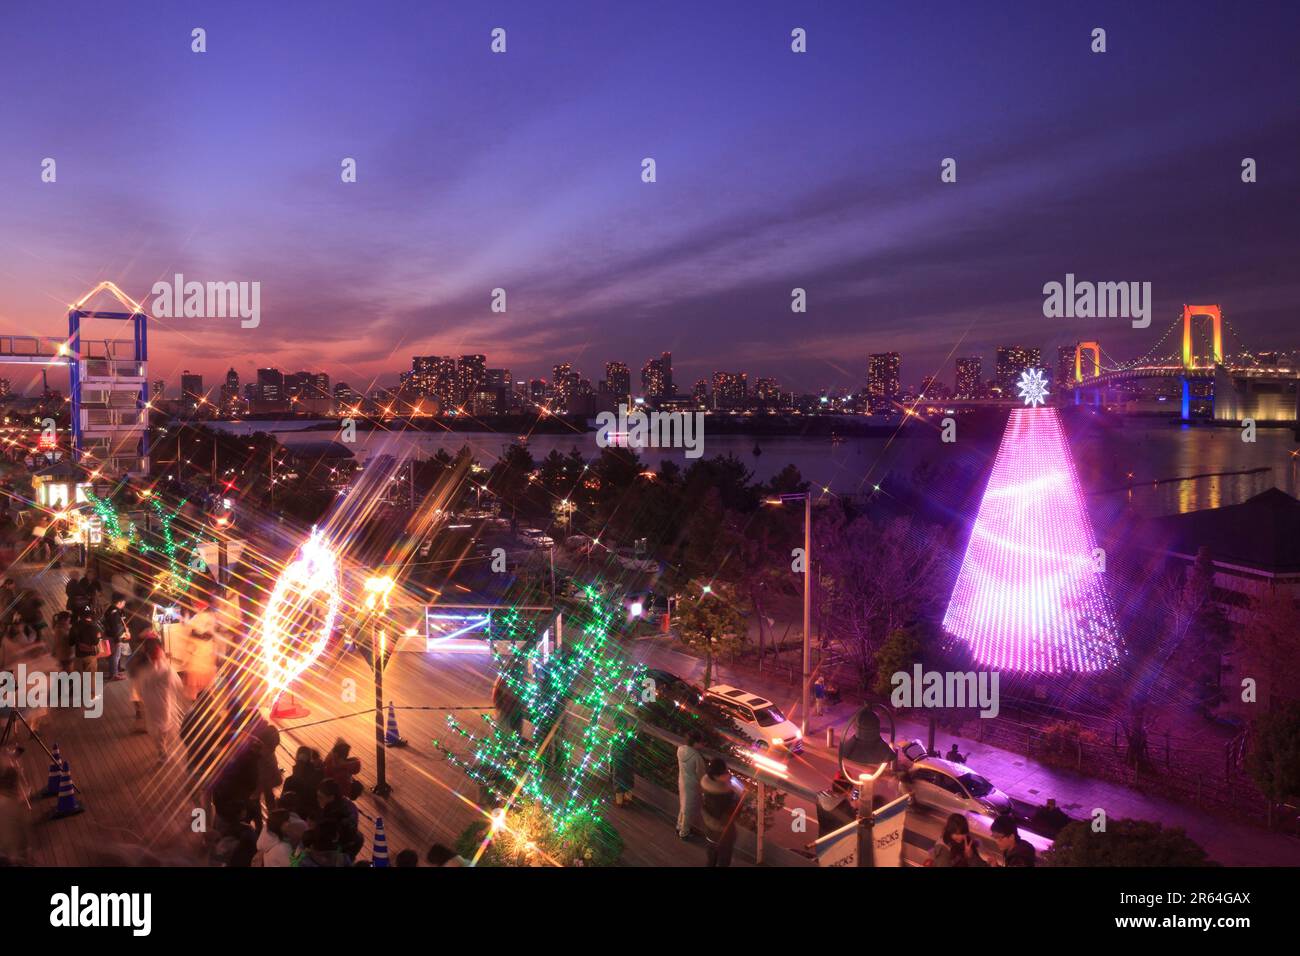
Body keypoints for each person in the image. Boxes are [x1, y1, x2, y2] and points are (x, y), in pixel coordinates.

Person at [129, 638, 184, 763]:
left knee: (155, 726)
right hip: (163, 700)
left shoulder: (143, 669)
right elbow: (177, 683)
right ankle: (162, 749)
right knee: (165, 725)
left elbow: (138, 686)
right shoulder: (165, 669)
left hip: (150, 701)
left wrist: (142, 697)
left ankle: (161, 748)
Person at [700, 758, 744, 867]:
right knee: (724, 859)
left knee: (711, 857)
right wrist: (739, 800)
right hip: (722, 833)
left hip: (710, 830)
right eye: (725, 772)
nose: (729, 775)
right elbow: (728, 817)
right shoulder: (720, 797)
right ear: (716, 776)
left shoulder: (707, 786)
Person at [182, 598, 218, 698]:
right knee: (196, 672)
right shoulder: (198, 617)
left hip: (204, 648)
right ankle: (199, 695)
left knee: (203, 672)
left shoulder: (209, 617)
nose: (196, 607)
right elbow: (189, 628)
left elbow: (205, 631)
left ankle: (205, 695)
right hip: (198, 648)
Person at [675, 730, 707, 840]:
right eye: (701, 742)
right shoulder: (697, 757)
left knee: (683, 805)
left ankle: (679, 826)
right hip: (692, 786)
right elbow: (701, 775)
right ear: (696, 743)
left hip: (682, 781)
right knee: (688, 809)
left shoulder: (680, 749)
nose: (702, 744)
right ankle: (684, 832)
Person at [283, 746, 325, 820]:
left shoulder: (289, 780)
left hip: (295, 816)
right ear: (311, 760)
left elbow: (284, 800)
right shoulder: (319, 776)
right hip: (313, 816)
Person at [102, 593, 128, 681]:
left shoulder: (110, 609)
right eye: (123, 602)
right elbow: (116, 627)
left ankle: (114, 672)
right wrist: (119, 637)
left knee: (113, 656)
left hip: (110, 635)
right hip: (115, 637)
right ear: (120, 602)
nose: (124, 604)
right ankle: (114, 674)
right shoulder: (115, 612)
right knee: (115, 656)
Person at [611, 715, 635, 807]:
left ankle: (619, 801)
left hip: (618, 762)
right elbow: (633, 748)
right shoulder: (630, 736)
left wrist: (613, 758)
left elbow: (614, 750)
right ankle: (628, 798)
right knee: (628, 778)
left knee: (618, 779)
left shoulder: (616, 736)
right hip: (628, 762)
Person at [69, 608, 101, 677]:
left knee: (78, 677)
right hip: (90, 656)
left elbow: (70, 642)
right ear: (91, 616)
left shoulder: (75, 626)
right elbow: (96, 642)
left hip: (78, 655)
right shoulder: (95, 627)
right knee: (91, 678)